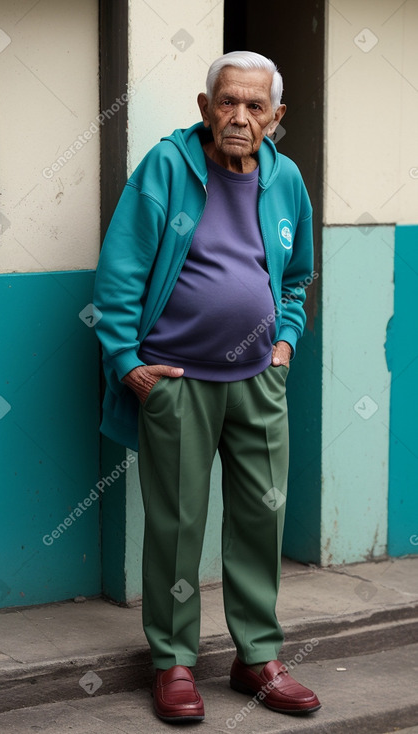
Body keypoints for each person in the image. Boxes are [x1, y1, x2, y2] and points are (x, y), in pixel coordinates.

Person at [94, 50, 320, 724]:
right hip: (176, 380)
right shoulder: (167, 167)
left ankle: (256, 656)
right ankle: (173, 663)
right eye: (228, 102)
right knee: (176, 526)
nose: (239, 117)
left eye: (255, 106)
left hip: (258, 379)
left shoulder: (285, 180)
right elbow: (120, 272)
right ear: (204, 107)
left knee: (260, 518)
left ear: (274, 118)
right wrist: (127, 363)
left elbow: (294, 277)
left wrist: (283, 342)